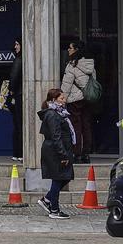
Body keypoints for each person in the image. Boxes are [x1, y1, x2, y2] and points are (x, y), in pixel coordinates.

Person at [37, 87, 75, 219]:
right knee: (59, 178)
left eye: (64, 98)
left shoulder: (59, 113)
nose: (64, 101)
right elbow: (56, 136)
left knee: (65, 177)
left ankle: (47, 200)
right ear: (54, 99)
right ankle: (54, 209)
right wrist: (63, 155)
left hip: (59, 149)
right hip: (55, 151)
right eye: (61, 98)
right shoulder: (52, 114)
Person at [60, 40, 95, 162]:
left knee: (76, 126)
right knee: (86, 125)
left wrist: (62, 99)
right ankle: (86, 153)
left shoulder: (72, 65)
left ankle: (77, 153)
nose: (68, 50)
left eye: (70, 48)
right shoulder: (90, 64)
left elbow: (66, 85)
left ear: (76, 50)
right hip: (88, 98)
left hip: (75, 99)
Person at [8, 38, 23, 163]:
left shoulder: (18, 60)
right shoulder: (24, 59)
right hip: (22, 94)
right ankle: (20, 153)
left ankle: (18, 153)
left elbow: (13, 77)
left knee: (18, 125)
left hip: (18, 95)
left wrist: (11, 91)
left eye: (17, 44)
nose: (15, 46)